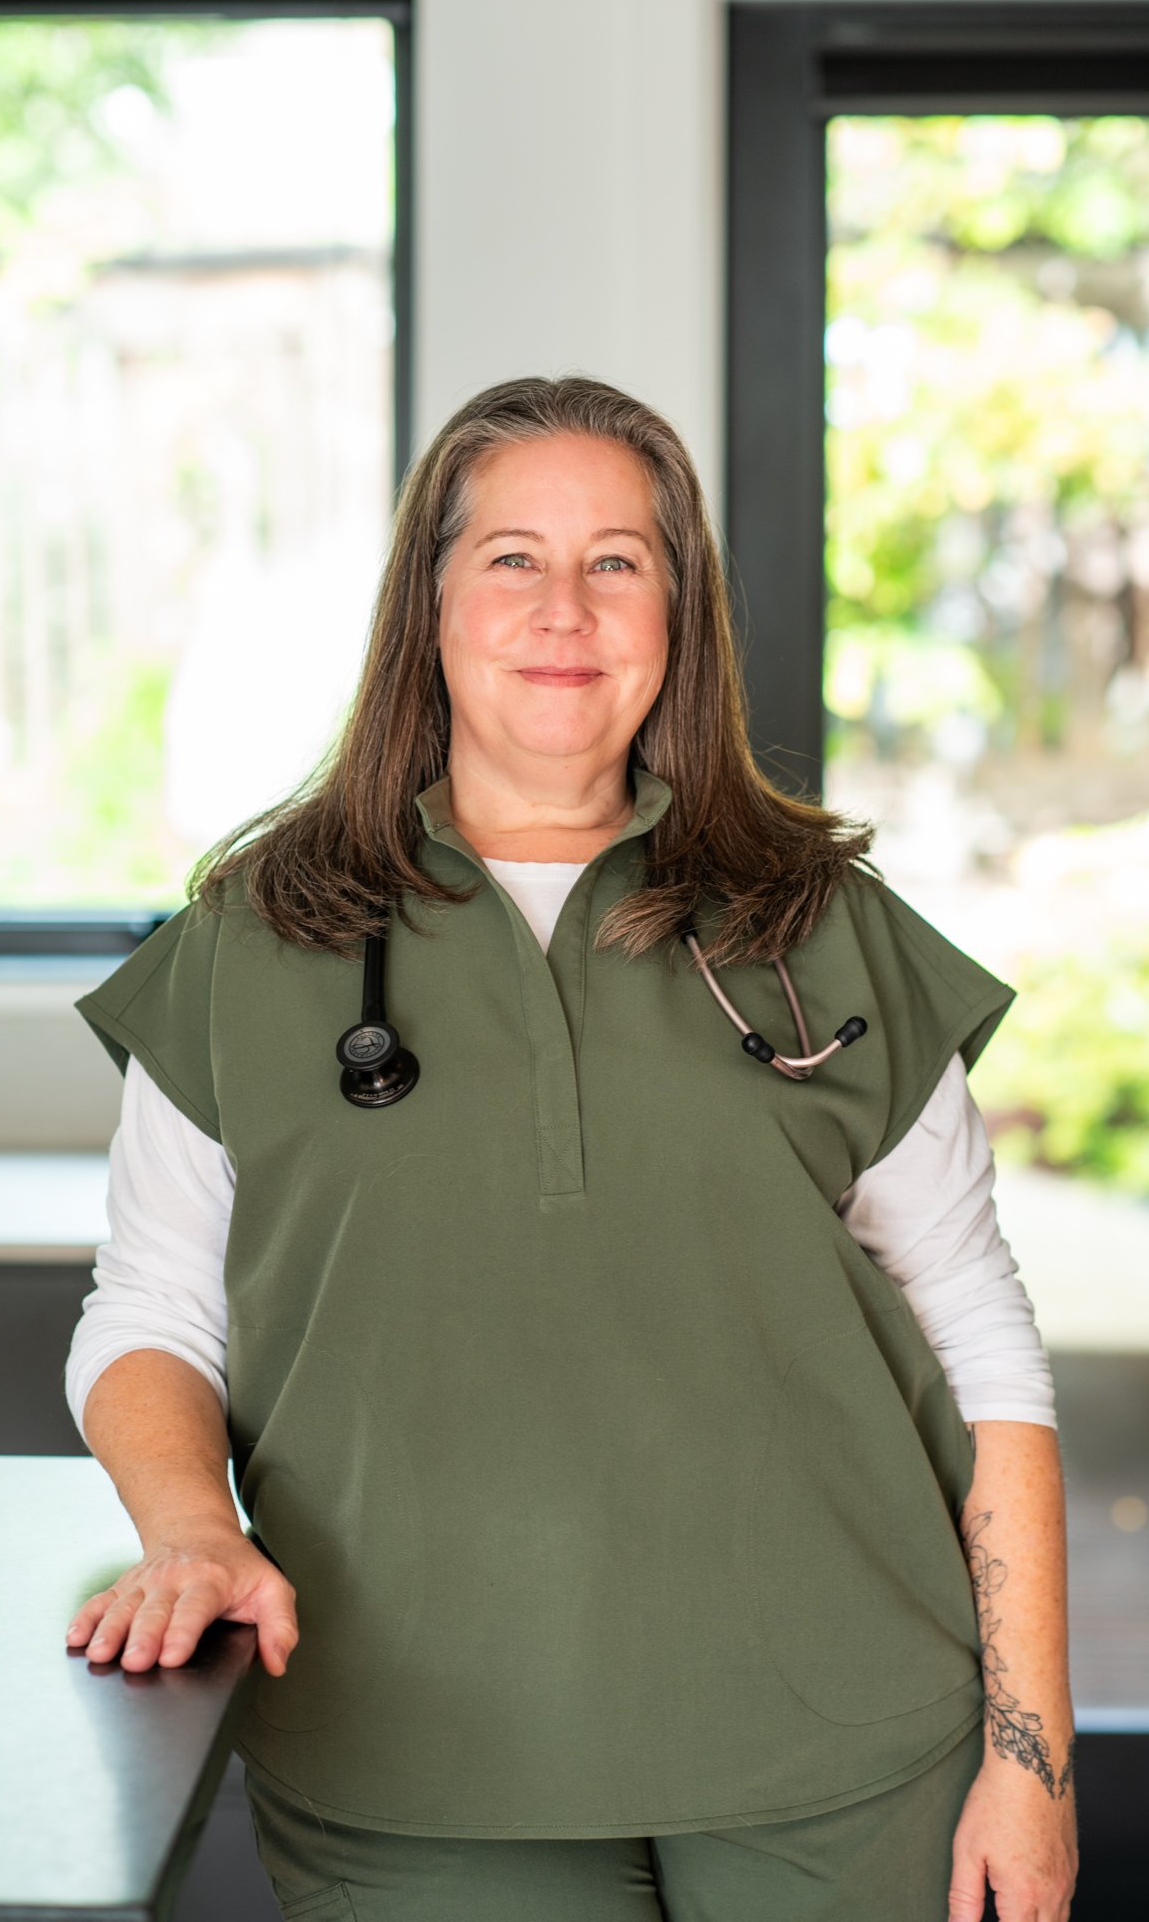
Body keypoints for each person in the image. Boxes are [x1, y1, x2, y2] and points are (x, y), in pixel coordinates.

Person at [64, 375, 1079, 1922]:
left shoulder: (821, 923)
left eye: (617, 561)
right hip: (411, 1757)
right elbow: (151, 1311)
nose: (563, 609)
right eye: (510, 559)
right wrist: (193, 1530)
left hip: (846, 1749)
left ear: (676, 612)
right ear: (432, 604)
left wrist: (1033, 1757)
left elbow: (981, 1350)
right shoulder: (255, 935)